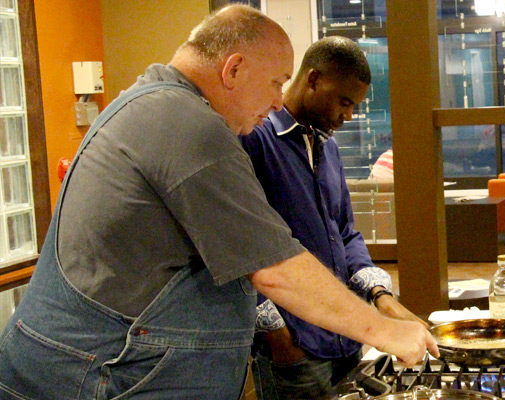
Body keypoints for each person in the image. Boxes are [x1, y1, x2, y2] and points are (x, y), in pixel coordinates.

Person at [0, 6, 436, 399]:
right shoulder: (187, 123)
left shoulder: (153, 102)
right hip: (96, 375)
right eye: (275, 82)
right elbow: (275, 268)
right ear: (233, 69)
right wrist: (383, 331)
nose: (274, 100)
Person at [240, 36, 425, 399]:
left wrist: (382, 297)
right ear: (312, 80)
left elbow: (345, 233)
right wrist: (278, 336)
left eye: (354, 105)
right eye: (344, 102)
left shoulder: (328, 147)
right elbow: (236, 246)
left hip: (346, 339)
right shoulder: (255, 141)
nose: (349, 115)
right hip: (294, 348)